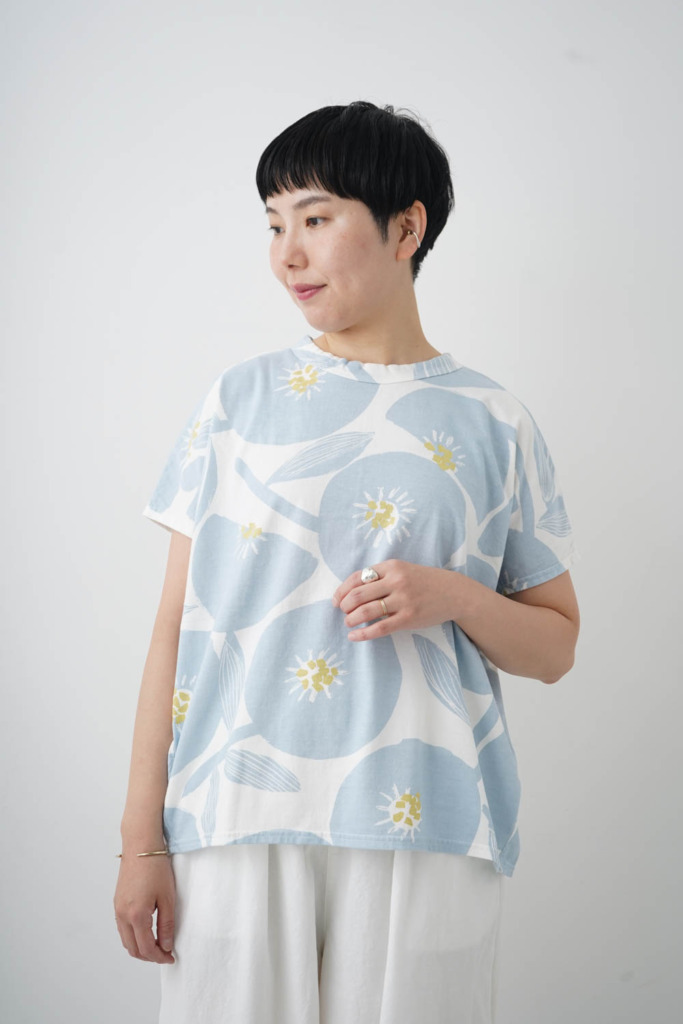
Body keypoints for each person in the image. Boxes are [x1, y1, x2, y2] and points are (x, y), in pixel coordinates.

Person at [114, 100, 581, 1024]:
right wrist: (140, 843)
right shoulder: (238, 401)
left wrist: (455, 596)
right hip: (234, 816)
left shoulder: (496, 422)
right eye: (273, 224)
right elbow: (174, 627)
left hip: (428, 820)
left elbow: (555, 648)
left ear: (406, 228)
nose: (287, 254)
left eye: (316, 219)